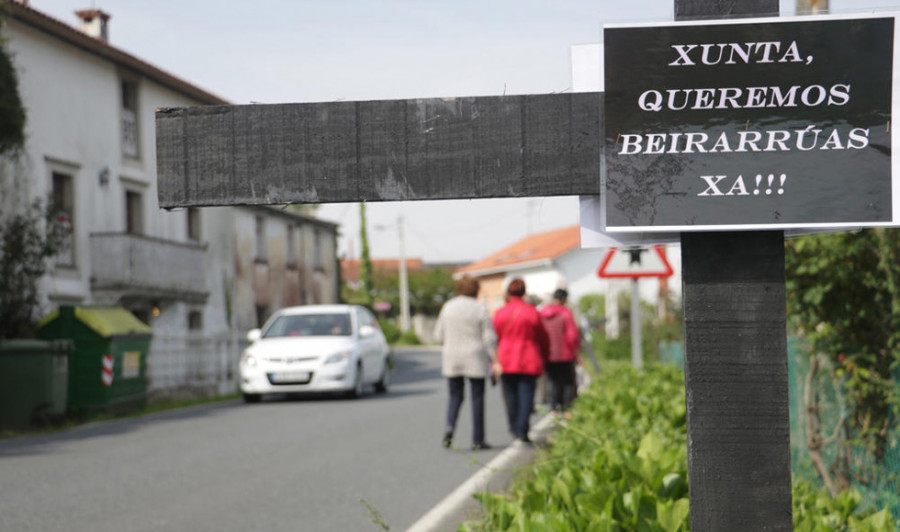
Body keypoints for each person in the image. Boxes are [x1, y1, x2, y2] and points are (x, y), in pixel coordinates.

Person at [433, 278, 499, 451]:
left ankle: (449, 428)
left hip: (452, 357)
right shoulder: (479, 308)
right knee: (477, 398)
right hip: (475, 357)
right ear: (475, 289)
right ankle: (478, 439)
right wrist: (495, 361)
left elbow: (438, 336)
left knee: (455, 396)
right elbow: (489, 338)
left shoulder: (448, 307)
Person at [493, 278, 549, 445]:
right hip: (528, 358)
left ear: (508, 293)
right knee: (526, 396)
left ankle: (513, 426)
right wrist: (545, 355)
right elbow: (542, 336)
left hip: (506, 358)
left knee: (510, 396)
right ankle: (522, 429)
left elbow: (496, 335)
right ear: (524, 292)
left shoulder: (500, 313)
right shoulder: (531, 312)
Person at [539, 288, 581, 417]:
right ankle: (567, 409)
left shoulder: (543, 313)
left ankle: (553, 409)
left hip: (548, 354)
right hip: (565, 354)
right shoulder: (565, 313)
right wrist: (577, 352)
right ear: (564, 299)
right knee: (567, 381)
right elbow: (572, 335)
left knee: (552, 381)